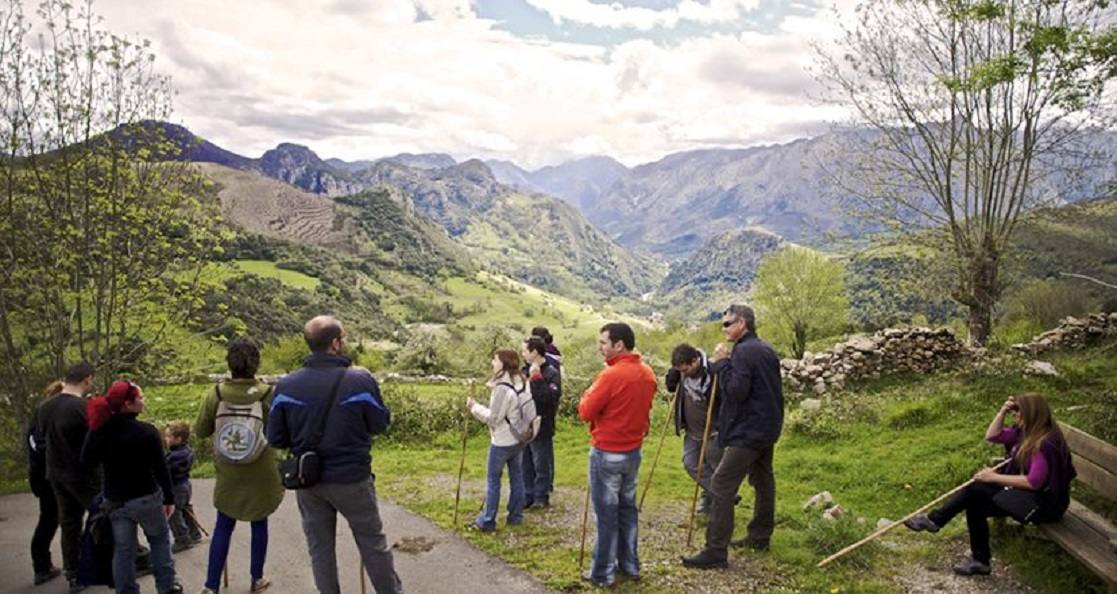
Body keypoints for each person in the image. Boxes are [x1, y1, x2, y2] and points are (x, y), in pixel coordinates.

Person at [267, 316, 402, 594]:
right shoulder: (360, 380)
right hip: (352, 478)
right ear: (336, 343)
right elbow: (380, 424)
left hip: (309, 480)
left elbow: (276, 438)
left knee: (320, 549)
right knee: (372, 544)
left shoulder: (286, 386)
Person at [904, 393, 1076, 576]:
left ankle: (935, 521)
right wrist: (1002, 410)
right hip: (1029, 497)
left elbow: (1034, 482)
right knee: (974, 502)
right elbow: (992, 436)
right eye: (1014, 411)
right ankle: (979, 561)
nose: (1015, 415)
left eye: (1018, 411)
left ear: (1031, 414)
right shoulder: (1025, 432)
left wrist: (993, 477)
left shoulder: (1044, 442)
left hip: (1045, 505)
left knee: (975, 490)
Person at [683, 304, 783, 570]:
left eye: (727, 323)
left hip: (747, 431)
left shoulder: (742, 353)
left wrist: (721, 364)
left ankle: (715, 551)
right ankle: (760, 536)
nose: (723, 328)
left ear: (743, 323)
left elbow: (736, 391)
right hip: (767, 428)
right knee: (763, 479)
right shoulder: (765, 349)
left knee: (721, 484)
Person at [195, 337, 284, 594]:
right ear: (256, 363)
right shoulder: (268, 394)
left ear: (229, 363)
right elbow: (280, 431)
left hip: (228, 469)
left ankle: (211, 585)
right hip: (262, 469)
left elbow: (200, 430)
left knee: (224, 523)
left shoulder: (217, 394)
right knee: (259, 521)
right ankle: (257, 579)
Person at [80, 381, 182, 594]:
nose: (143, 401)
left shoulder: (100, 431)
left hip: (116, 500)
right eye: (140, 398)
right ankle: (166, 587)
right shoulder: (146, 432)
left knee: (123, 550)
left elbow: (86, 460)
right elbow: (161, 468)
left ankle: (126, 590)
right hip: (146, 496)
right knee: (159, 541)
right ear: (128, 403)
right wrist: (169, 497)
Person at [577, 322, 657, 586]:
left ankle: (602, 572)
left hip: (607, 452)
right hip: (633, 451)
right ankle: (630, 564)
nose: (600, 347)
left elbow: (585, 411)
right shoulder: (647, 374)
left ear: (618, 344)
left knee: (607, 515)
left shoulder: (610, 376)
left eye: (603, 342)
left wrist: (587, 392)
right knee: (627, 510)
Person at [37, 361, 100, 592]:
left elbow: (43, 438)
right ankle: (111, 562)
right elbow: (93, 442)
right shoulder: (81, 408)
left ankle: (73, 572)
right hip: (82, 473)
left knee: (69, 523)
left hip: (55, 472)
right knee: (103, 516)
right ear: (87, 380)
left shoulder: (45, 407)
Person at [467, 350, 529, 531]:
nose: (492, 362)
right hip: (518, 438)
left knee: (493, 481)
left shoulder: (502, 386)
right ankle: (516, 517)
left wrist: (474, 407)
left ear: (503, 362)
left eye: (495, 359)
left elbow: (494, 418)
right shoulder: (520, 380)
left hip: (502, 441)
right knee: (517, 477)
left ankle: (487, 521)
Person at [665, 343, 723, 514]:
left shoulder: (714, 371)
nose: (683, 373)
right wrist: (673, 374)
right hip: (692, 431)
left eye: (685, 370)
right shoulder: (680, 372)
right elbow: (670, 387)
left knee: (715, 468)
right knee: (691, 464)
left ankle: (714, 505)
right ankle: (723, 493)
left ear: (695, 361)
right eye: (680, 370)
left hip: (714, 431)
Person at [28, 379, 64, 586]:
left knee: (62, 518)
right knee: (49, 519)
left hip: (56, 475)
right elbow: (38, 447)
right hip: (46, 478)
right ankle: (41, 567)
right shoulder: (40, 420)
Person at [521, 336, 561, 509]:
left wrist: (536, 379)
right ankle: (527, 495)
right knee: (525, 462)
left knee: (541, 462)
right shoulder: (523, 370)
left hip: (542, 424)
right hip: (523, 423)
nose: (522, 354)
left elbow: (549, 400)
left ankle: (541, 497)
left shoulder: (551, 373)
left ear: (534, 352)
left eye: (524, 350)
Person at [163, 421, 201, 553]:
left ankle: (182, 538)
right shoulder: (185, 451)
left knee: (174, 512)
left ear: (178, 439)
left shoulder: (176, 456)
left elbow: (168, 470)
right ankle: (194, 532)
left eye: (168, 436)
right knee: (185, 508)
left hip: (177, 486)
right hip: (185, 484)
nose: (165, 439)